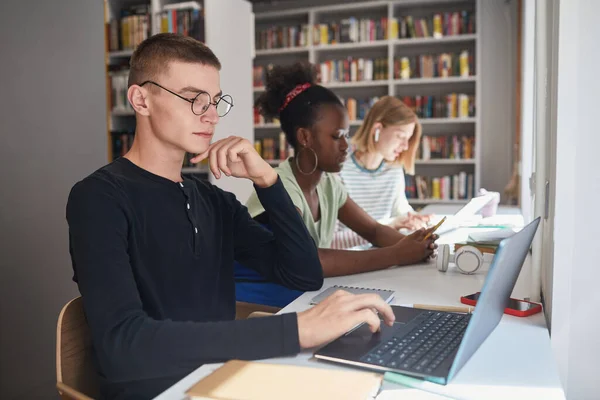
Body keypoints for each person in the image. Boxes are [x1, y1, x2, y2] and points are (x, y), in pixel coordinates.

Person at [66, 34, 396, 400]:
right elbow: (125, 345)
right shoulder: (98, 198)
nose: (210, 115)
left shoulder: (212, 200)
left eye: (215, 101)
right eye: (194, 99)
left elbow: (303, 273)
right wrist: (295, 331)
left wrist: (268, 182)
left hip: (225, 377)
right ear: (141, 99)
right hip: (163, 391)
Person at [237, 63, 437, 308]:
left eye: (346, 135)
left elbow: (373, 230)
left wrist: (417, 246)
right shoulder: (281, 188)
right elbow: (312, 260)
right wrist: (397, 254)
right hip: (258, 305)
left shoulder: (329, 184)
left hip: (300, 295)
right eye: (336, 136)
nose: (346, 146)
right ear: (304, 137)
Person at [333, 96, 432, 250]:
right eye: (400, 136)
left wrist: (414, 219)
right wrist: (389, 226)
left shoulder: (393, 169)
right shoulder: (337, 169)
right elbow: (332, 241)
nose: (405, 146)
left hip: (382, 254)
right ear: (377, 129)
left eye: (408, 139)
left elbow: (400, 210)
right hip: (350, 261)